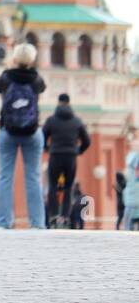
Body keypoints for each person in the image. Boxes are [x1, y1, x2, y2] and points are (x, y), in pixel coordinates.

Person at [0, 43, 48, 229]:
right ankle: (37, 223)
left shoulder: (6, 77)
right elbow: (42, 89)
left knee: (5, 176)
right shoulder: (36, 79)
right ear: (32, 60)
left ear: (15, 58)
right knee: (33, 177)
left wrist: (10, 66)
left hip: (8, 131)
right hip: (32, 131)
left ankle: (3, 222)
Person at [41, 91, 91, 228]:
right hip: (70, 157)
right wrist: (78, 150)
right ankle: (65, 217)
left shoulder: (51, 120)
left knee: (52, 186)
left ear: (58, 102)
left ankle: (53, 217)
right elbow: (87, 141)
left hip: (55, 155)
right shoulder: (77, 121)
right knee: (68, 187)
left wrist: (47, 148)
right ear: (69, 103)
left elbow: (42, 137)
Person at [122, 138, 139, 231]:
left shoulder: (133, 156)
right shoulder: (132, 156)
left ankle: (128, 227)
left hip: (135, 185)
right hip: (132, 185)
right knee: (129, 207)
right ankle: (127, 227)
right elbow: (130, 168)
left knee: (131, 208)